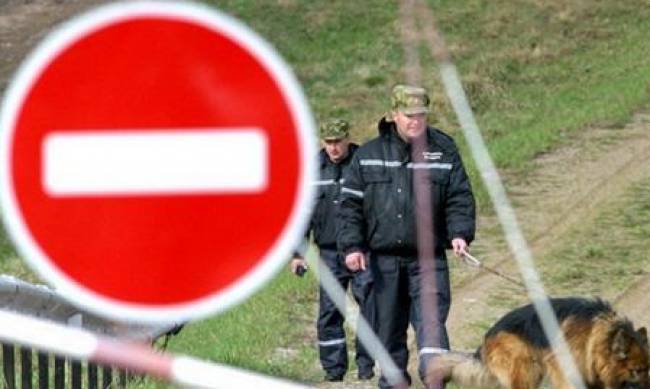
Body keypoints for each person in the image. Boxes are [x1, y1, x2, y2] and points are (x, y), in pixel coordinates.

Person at [337, 85, 476, 388]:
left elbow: (459, 197)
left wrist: (459, 234)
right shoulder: (368, 155)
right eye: (409, 115)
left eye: (421, 115)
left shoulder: (443, 150)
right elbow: (349, 206)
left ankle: (435, 380)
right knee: (388, 331)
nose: (416, 121)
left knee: (432, 328)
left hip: (428, 261)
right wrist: (352, 246)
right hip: (382, 261)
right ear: (394, 115)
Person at [290, 119, 375, 382]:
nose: (334, 148)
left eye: (338, 142)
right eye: (328, 143)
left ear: (348, 139)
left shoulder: (363, 164)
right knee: (329, 312)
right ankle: (333, 370)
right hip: (327, 252)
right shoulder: (312, 169)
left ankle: (366, 366)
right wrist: (297, 253)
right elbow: (301, 214)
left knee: (369, 308)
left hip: (363, 251)